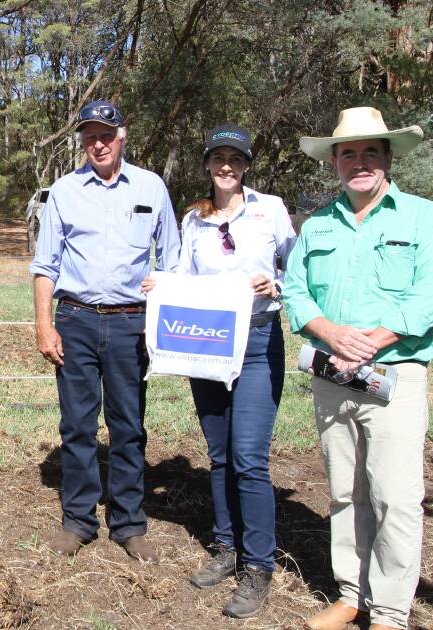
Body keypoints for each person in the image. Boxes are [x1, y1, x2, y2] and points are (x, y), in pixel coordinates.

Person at [284, 106, 433, 630]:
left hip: (395, 377)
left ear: (387, 158)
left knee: (394, 495)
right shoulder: (316, 225)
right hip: (332, 375)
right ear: (334, 162)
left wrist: (374, 340)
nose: (358, 162)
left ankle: (389, 611)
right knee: (344, 490)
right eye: (348, 154)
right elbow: (295, 290)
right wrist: (332, 334)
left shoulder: (424, 217)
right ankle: (350, 593)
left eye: (369, 152)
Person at [143, 123, 295, 618]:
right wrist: (159, 287)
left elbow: (300, 269)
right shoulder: (194, 218)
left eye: (236, 158)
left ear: (247, 165)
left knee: (250, 457)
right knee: (220, 453)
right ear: (207, 164)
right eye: (218, 158)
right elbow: (184, 278)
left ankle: (258, 566)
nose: (226, 166)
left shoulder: (270, 209)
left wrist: (277, 284)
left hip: (256, 343)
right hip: (206, 346)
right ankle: (227, 548)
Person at [30, 99, 179, 562]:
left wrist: (163, 322)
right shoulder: (65, 190)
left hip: (131, 323)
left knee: (128, 426)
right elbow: (44, 265)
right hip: (74, 319)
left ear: (122, 135)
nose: (98, 143)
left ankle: (129, 523)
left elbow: (172, 260)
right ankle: (77, 520)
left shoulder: (152, 188)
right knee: (77, 426)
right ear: (82, 140)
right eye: (89, 135)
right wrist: (43, 324)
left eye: (106, 134)